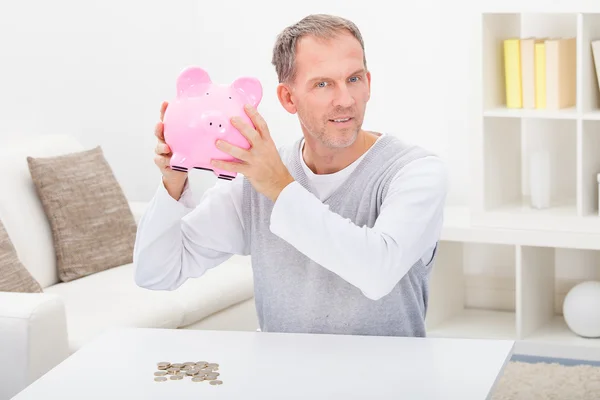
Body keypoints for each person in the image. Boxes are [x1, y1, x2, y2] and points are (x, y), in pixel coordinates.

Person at [133, 13, 448, 337]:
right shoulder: (254, 181)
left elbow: (378, 271)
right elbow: (158, 273)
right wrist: (174, 181)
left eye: (353, 79)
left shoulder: (415, 172)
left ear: (368, 83)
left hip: (391, 380)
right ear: (287, 98)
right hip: (281, 380)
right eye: (323, 84)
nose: (345, 100)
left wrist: (279, 186)